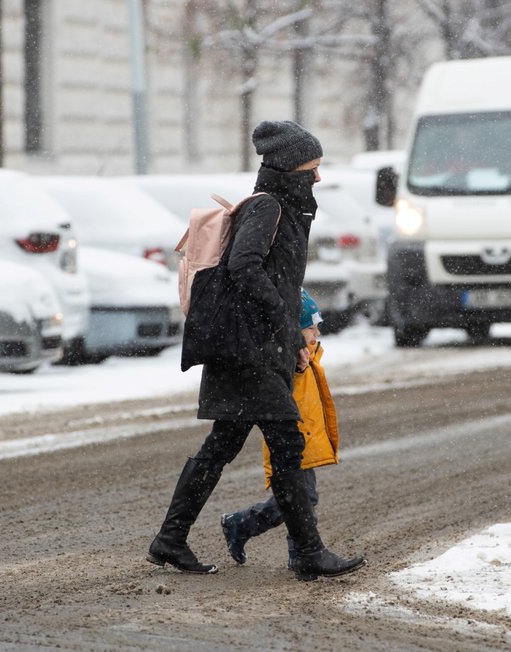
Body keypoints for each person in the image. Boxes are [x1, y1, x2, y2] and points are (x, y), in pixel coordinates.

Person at [146, 120, 365, 581]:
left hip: (254, 347)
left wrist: (295, 330)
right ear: (291, 169)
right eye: (313, 168)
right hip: (248, 350)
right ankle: (307, 551)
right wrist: (284, 325)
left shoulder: (282, 208)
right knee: (288, 442)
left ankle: (170, 539)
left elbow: (283, 281)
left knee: (222, 445)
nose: (318, 178)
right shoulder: (267, 208)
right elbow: (244, 266)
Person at [220, 289, 337, 568]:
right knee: (301, 497)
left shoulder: (311, 356)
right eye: (311, 327)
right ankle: (242, 524)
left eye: (318, 327)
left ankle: (297, 552)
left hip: (304, 437)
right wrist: (296, 363)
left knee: (300, 497)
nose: (316, 333)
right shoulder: (291, 361)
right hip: (291, 438)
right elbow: (289, 382)